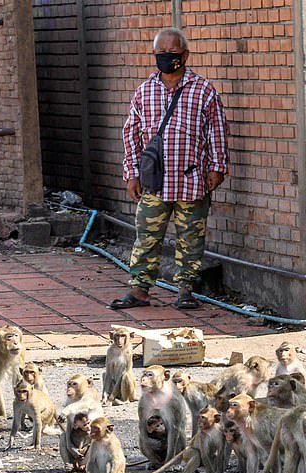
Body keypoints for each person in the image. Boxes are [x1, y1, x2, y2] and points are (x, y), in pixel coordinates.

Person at [111, 27, 228, 310]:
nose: (166, 58)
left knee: (191, 239)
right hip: (154, 182)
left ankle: (186, 290)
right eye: (160, 53)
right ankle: (139, 292)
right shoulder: (144, 91)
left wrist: (218, 167)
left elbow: (217, 130)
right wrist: (131, 173)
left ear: (185, 55)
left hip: (192, 179)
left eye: (172, 53)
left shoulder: (203, 90)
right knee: (147, 238)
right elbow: (131, 134)